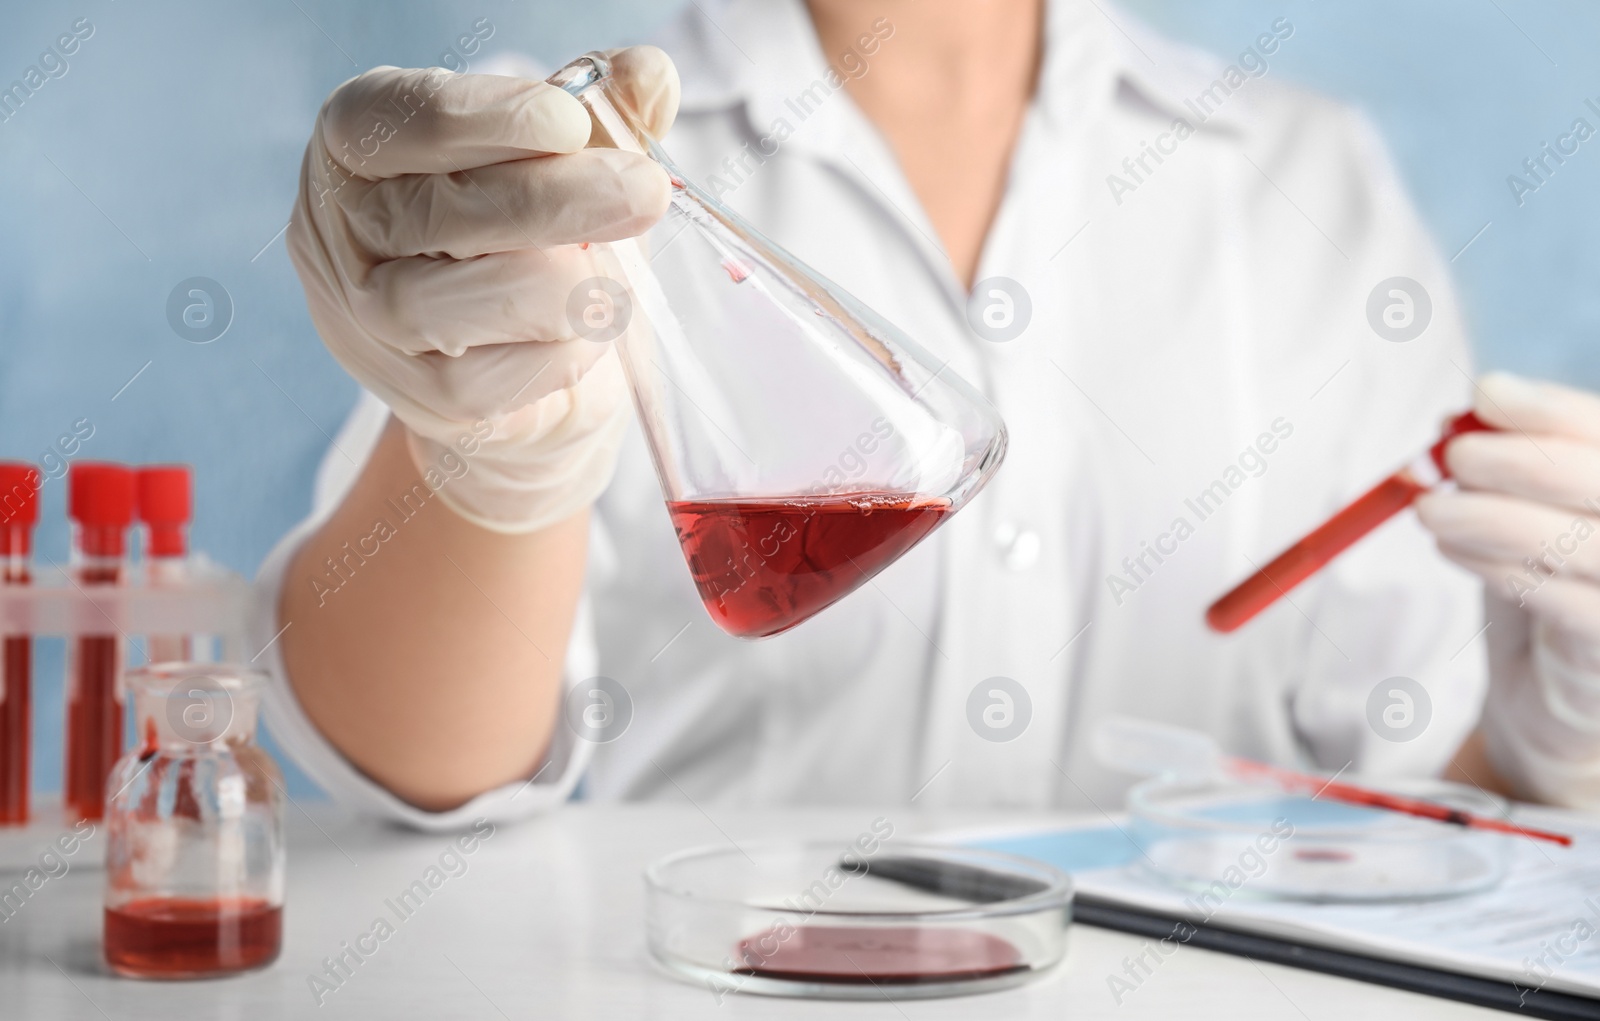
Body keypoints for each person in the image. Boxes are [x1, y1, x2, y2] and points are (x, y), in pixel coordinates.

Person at [262, 0, 1600, 828]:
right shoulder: (549, 154)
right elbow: (423, 766)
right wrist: (489, 462)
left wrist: (1553, 740)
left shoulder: (1305, 183)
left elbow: (1431, 805)